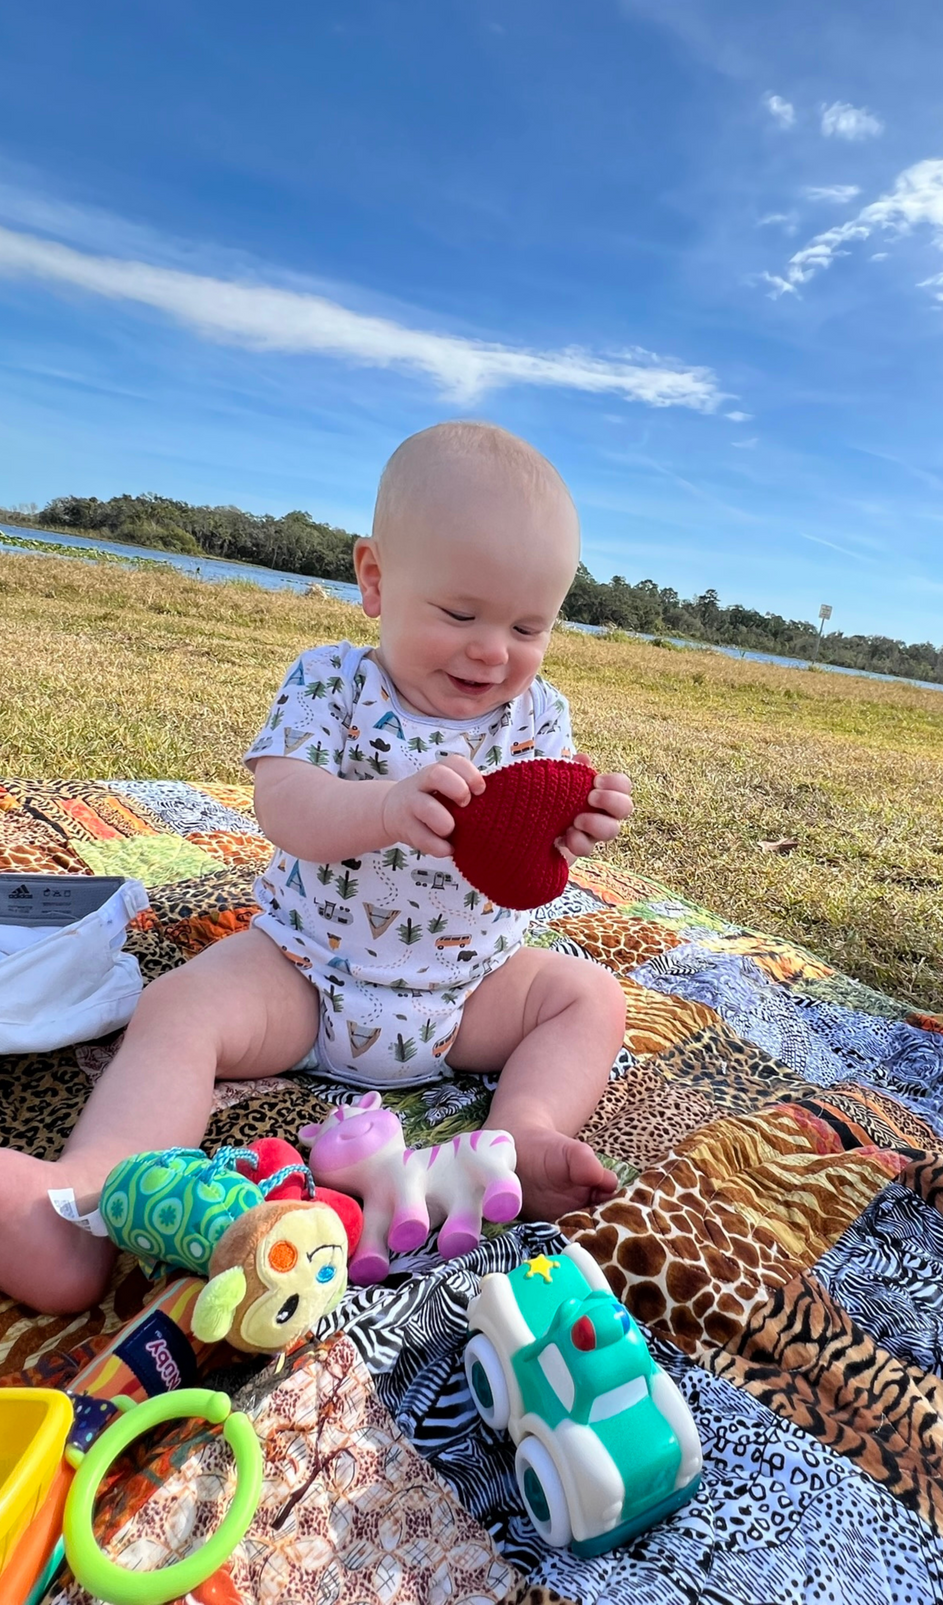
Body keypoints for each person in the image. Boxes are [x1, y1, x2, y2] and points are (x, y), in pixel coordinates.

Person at [0, 422, 633, 1315]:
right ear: (375, 580)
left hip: (467, 995)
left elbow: (527, 865)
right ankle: (86, 1201)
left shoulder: (536, 715)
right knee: (179, 1004)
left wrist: (572, 831)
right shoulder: (331, 684)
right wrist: (382, 807)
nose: (495, 651)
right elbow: (282, 804)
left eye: (529, 626)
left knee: (590, 998)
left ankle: (518, 1135)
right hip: (305, 973)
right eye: (461, 615)